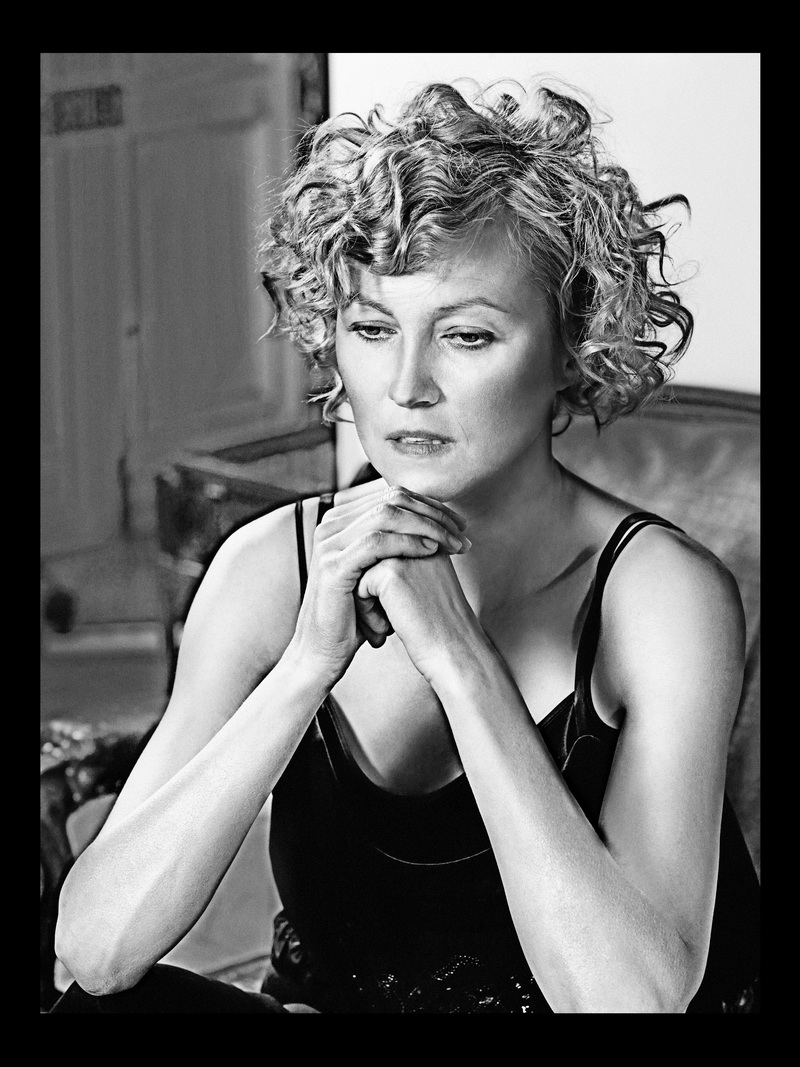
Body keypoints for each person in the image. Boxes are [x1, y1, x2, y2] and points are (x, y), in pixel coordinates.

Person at [51, 78, 759, 1014]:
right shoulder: (270, 568)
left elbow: (629, 1002)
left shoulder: (659, 596)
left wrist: (461, 660)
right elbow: (93, 952)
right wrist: (305, 665)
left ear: (569, 346)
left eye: (466, 335)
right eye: (374, 328)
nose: (407, 385)